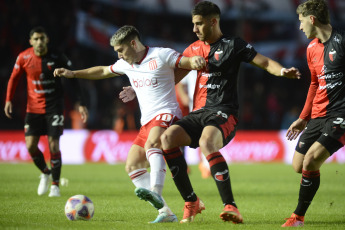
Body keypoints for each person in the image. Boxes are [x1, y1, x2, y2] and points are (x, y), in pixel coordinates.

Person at [157, 1, 301, 224]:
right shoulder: (193, 49)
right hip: (199, 112)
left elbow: (262, 61)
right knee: (166, 139)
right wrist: (141, 86)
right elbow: (172, 79)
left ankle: (231, 206)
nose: (194, 29)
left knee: (207, 142)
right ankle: (191, 201)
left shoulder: (234, 45)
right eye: (193, 24)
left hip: (224, 112)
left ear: (213, 21)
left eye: (198, 24)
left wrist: (282, 71)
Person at [54, 25, 205, 223]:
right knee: (132, 165)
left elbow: (185, 62)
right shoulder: (126, 64)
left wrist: (194, 59)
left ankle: (156, 192)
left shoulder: (161, 55)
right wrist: (73, 74)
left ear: (133, 43)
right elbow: (101, 71)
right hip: (147, 122)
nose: (118, 55)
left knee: (153, 144)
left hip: (167, 114)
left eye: (120, 49)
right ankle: (166, 213)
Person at [4, 26, 88, 197]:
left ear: (47, 40)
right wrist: (8, 100)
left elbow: (73, 79)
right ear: (31, 41)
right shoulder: (24, 57)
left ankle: (55, 186)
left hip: (54, 106)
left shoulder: (57, 56)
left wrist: (79, 103)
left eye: (42, 38)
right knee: (30, 146)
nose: (39, 42)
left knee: (54, 145)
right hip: (33, 108)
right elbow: (13, 78)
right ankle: (45, 172)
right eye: (36, 39)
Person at [282, 0, 345, 227]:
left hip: (341, 114)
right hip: (318, 115)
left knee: (310, 161)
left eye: (301, 21)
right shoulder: (311, 49)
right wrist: (303, 117)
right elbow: (314, 84)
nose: (300, 28)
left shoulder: (342, 40)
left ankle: (297, 217)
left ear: (312, 19)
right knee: (299, 165)